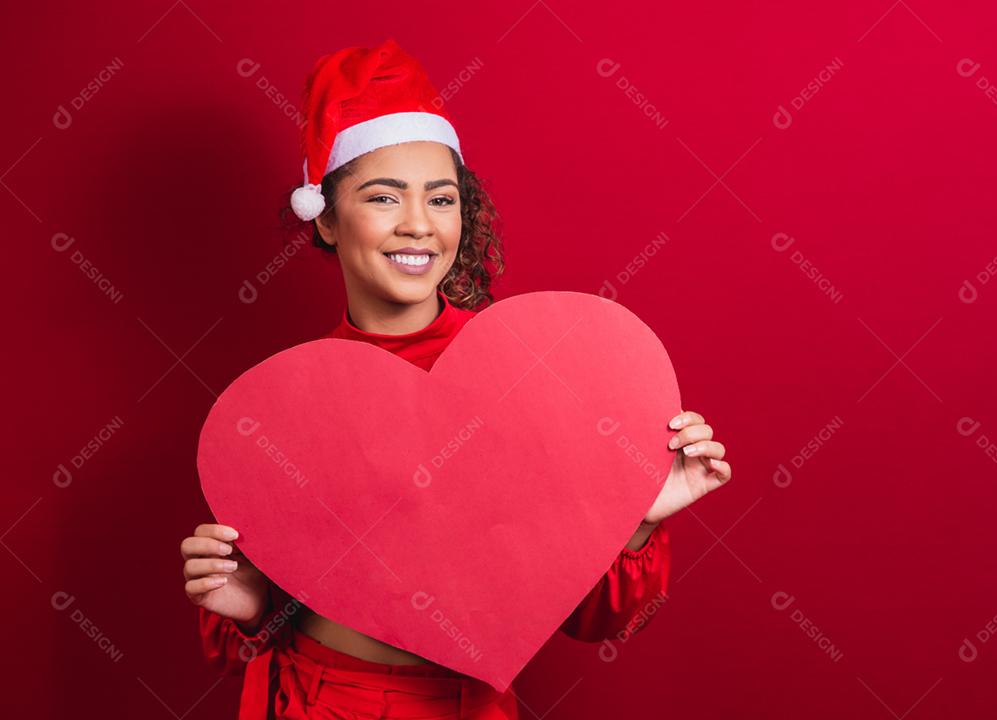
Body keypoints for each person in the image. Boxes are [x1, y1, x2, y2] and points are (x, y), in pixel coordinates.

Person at [180, 38, 732, 720]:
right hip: (316, 701)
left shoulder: (534, 380)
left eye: (441, 200)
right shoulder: (286, 402)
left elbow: (598, 624)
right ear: (323, 214)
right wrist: (250, 609)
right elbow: (249, 632)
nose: (418, 225)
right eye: (384, 197)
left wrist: (636, 519)